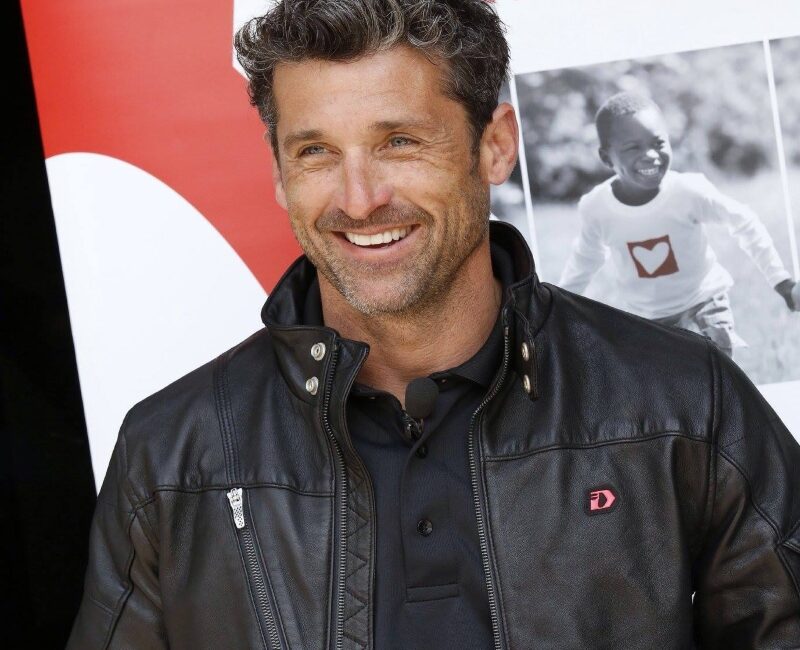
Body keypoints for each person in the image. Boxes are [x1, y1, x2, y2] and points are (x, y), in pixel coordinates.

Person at [68, 2, 800, 648]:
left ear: (495, 145)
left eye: (399, 141)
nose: (359, 199)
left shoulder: (684, 403)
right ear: (280, 173)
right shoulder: (171, 456)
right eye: (316, 151)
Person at [559, 92, 798, 357]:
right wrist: (555, 311)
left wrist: (781, 281)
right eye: (633, 147)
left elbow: (744, 220)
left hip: (705, 301)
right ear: (606, 157)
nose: (651, 155)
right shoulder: (597, 208)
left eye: (658, 142)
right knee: (668, 379)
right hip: (648, 317)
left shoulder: (688, 192)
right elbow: (584, 261)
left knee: (717, 367)